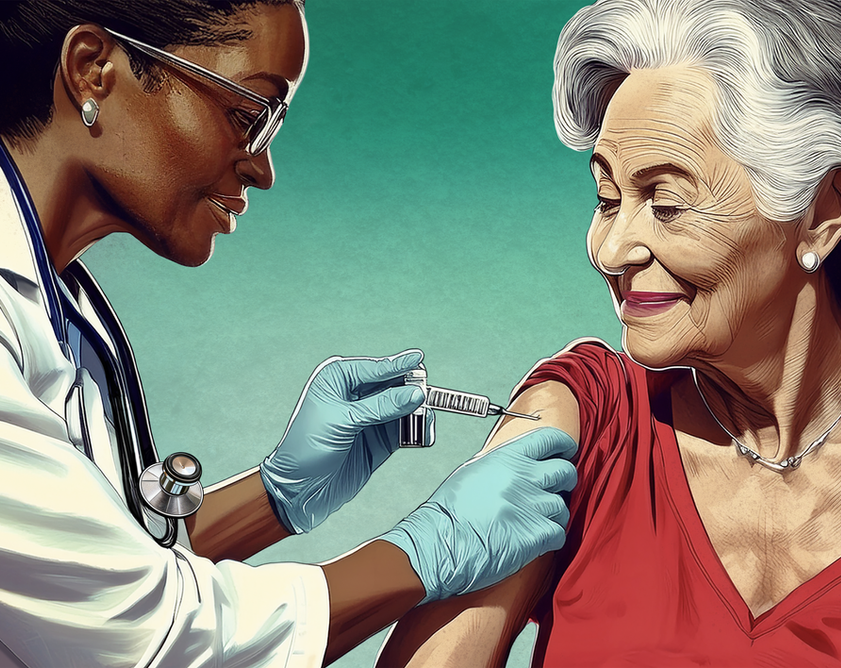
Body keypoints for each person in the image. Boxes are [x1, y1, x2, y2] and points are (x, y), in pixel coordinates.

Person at [376, 0, 841, 665]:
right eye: (607, 201)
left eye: (665, 203)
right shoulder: (585, 421)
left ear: (822, 210)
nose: (610, 250)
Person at [0, 1, 579, 666]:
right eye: (248, 115)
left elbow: (90, 570)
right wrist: (427, 550)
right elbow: (148, 633)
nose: (261, 167)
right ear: (93, 69)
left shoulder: (63, 306)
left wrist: (276, 496)